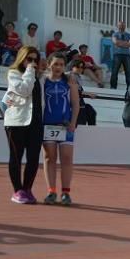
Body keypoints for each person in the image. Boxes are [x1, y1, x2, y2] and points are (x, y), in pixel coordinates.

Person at [4, 47, 45, 203]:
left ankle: (27, 189)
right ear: (22, 58)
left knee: (33, 158)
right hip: (16, 122)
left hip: (36, 122)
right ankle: (17, 190)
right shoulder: (14, 74)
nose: (33, 63)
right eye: (30, 59)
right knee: (16, 157)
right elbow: (24, 90)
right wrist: (29, 71)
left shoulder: (39, 76)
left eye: (36, 60)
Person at [40, 55, 80, 205]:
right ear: (49, 65)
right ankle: (51, 191)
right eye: (56, 64)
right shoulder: (42, 81)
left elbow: (75, 104)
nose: (58, 67)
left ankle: (65, 193)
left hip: (66, 125)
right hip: (47, 124)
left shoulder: (69, 81)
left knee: (67, 158)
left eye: (61, 64)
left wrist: (73, 123)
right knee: (49, 158)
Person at [69, 60, 99, 126]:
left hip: (79, 105)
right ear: (72, 67)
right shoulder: (70, 76)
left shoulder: (77, 77)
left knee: (91, 111)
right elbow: (75, 91)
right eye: (78, 67)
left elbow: (79, 90)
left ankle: (91, 130)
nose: (80, 69)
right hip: (73, 106)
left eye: (82, 67)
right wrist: (88, 94)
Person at [109, 21, 130, 89]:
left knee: (128, 72)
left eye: (123, 25)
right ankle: (113, 87)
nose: (122, 26)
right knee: (114, 71)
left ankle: (129, 88)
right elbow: (115, 42)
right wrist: (126, 43)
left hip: (127, 55)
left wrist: (120, 43)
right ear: (118, 26)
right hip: (117, 54)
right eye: (120, 25)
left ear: (125, 26)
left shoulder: (129, 35)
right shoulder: (115, 34)